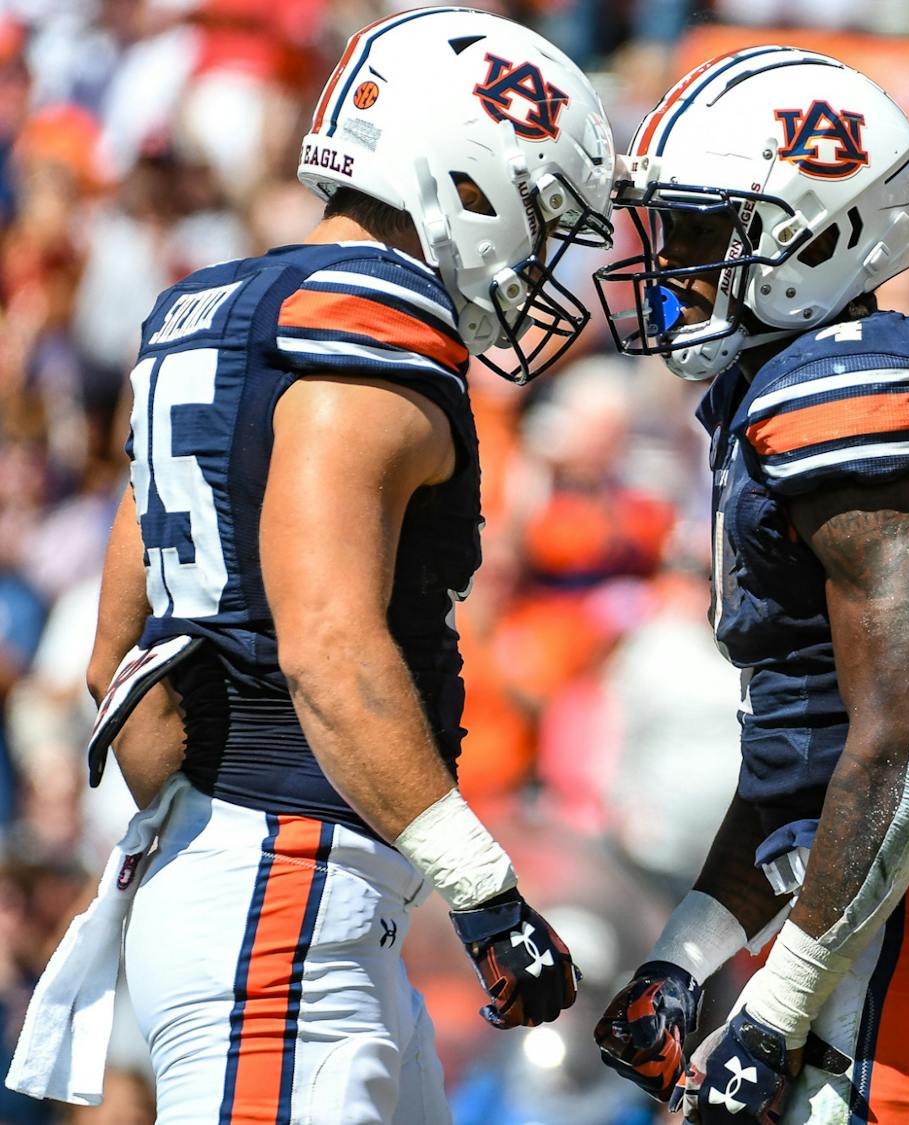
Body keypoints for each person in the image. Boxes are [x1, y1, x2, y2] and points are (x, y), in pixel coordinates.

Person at [7, 9, 615, 1122]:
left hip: (270, 895)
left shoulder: (212, 311)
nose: (541, 260)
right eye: (538, 214)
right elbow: (327, 648)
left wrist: (205, 835)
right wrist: (484, 894)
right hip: (284, 909)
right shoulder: (370, 330)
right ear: (464, 183)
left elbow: (114, 663)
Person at [591, 48, 909, 1124]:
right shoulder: (783, 387)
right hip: (874, 884)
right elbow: (795, 773)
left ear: (815, 232)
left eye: (702, 231)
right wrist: (684, 959)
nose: (671, 263)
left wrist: (773, 1008)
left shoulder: (843, 387)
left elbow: (900, 745)